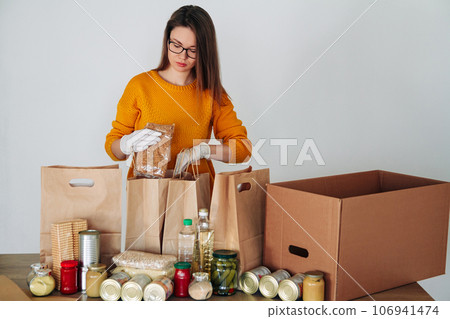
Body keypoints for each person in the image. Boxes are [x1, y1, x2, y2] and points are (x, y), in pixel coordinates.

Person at [105, 5, 251, 184]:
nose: (183, 56)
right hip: (148, 193)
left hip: (197, 195)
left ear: (205, 51)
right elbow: (112, 148)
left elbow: (243, 150)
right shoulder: (140, 86)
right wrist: (126, 144)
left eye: (193, 49)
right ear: (167, 41)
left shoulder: (212, 93)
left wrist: (204, 150)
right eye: (177, 45)